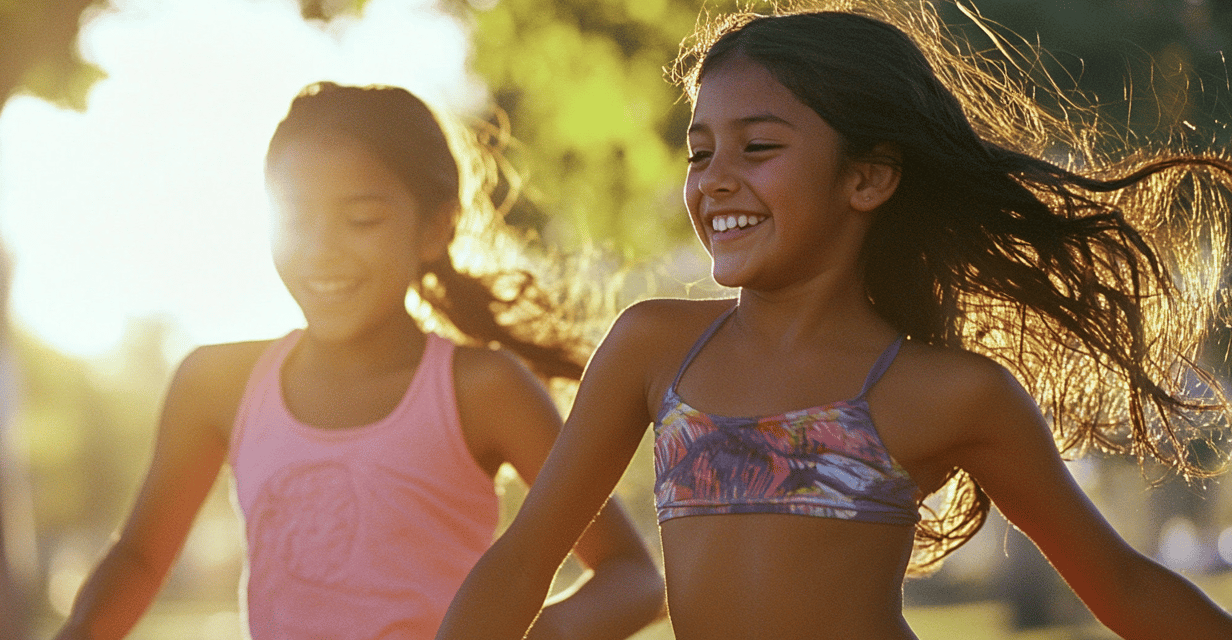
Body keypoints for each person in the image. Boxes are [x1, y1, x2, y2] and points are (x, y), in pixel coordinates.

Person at [434, 4, 1232, 639]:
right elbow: (523, 560)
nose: (715, 180)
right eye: (701, 152)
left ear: (868, 179)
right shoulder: (653, 346)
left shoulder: (952, 393)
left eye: (758, 147)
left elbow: (1124, 587)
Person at [52, 82, 665, 640]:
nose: (322, 250)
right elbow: (139, 559)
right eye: (295, 217)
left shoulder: (480, 388)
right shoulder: (216, 385)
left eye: (361, 219)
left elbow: (633, 575)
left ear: (435, 229)